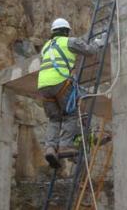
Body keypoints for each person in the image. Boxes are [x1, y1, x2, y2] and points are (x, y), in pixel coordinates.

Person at [37, 18, 106, 168]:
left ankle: (50, 148)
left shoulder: (46, 47)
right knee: (71, 114)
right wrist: (99, 42)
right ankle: (64, 145)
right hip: (60, 82)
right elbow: (89, 51)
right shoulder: (69, 42)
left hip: (43, 85)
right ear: (66, 31)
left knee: (54, 119)